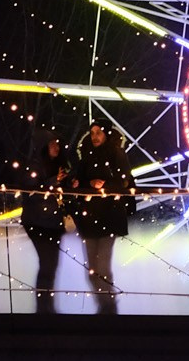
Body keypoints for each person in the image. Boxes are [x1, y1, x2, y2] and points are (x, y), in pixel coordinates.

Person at [70, 122, 133, 315]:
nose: (94, 136)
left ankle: (108, 308)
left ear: (106, 134)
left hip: (109, 216)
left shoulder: (116, 154)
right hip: (89, 218)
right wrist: (84, 183)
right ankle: (105, 305)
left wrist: (105, 185)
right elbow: (77, 180)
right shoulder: (87, 157)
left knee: (102, 267)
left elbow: (126, 181)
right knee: (92, 269)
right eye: (92, 133)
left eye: (98, 133)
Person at [19, 133, 71, 313]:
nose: (57, 147)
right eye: (52, 144)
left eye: (58, 144)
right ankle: (44, 306)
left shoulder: (57, 165)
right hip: (38, 222)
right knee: (48, 263)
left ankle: (45, 304)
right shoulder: (35, 166)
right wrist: (54, 181)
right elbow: (32, 190)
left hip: (53, 222)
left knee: (50, 264)